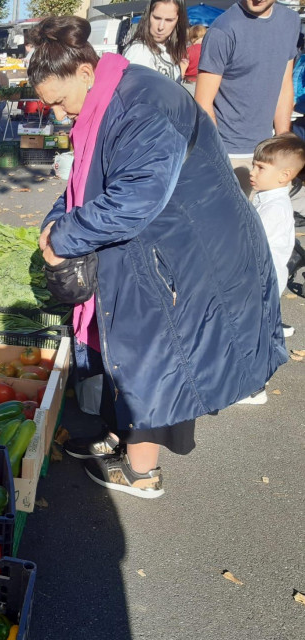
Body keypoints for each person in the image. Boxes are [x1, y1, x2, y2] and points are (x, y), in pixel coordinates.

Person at [29, 16, 286, 498]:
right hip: (163, 241)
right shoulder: (108, 94)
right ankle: (116, 437)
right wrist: (55, 218)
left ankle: (142, 472)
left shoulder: (143, 102)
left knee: (151, 349)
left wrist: (65, 237)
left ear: (85, 73)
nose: (60, 115)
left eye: (60, 102)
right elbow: (88, 182)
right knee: (120, 340)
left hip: (189, 252)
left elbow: (134, 199)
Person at [195, 0, 299, 196]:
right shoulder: (223, 29)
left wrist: (283, 142)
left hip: (269, 153)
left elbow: (284, 84)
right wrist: (217, 155)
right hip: (230, 154)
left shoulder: (290, 21)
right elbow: (203, 102)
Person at [250, 134, 304, 342]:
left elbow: (253, 243)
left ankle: (270, 334)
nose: (252, 173)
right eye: (254, 166)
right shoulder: (267, 197)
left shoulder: (275, 208)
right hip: (262, 273)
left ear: (284, 176)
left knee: (256, 314)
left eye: (260, 168)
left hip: (263, 276)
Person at [122, 0, 189, 82]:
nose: (161, 27)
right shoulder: (140, 51)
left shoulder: (168, 49)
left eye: (169, 20)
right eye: (157, 18)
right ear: (148, 15)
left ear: (178, 21)